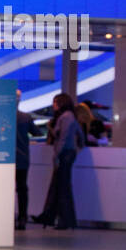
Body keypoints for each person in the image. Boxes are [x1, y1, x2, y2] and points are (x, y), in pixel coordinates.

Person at [31, 92, 83, 231]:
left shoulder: (65, 117)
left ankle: (62, 220)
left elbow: (63, 138)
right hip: (67, 154)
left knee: (62, 188)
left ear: (60, 103)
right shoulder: (70, 117)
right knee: (59, 187)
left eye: (55, 102)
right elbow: (79, 134)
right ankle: (51, 216)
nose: (53, 105)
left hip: (64, 155)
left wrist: (57, 156)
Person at [15, 91, 43, 229]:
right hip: (22, 158)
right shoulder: (25, 117)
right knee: (22, 190)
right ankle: (22, 218)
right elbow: (38, 133)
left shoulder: (4, 117)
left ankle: (10, 219)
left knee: (10, 191)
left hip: (8, 160)